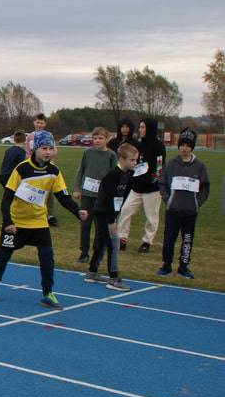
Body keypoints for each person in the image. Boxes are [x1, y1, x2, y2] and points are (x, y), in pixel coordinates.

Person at [0, 131, 88, 310]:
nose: (48, 152)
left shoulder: (54, 172)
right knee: (3, 255)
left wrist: (78, 212)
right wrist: (8, 222)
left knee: (47, 258)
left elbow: (63, 197)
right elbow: (6, 198)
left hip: (39, 223)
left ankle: (47, 293)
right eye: (44, 148)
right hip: (16, 223)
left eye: (51, 148)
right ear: (34, 149)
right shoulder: (22, 169)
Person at [84, 143, 138, 291]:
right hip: (103, 212)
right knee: (113, 244)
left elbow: (125, 193)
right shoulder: (112, 176)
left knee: (102, 242)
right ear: (122, 159)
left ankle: (92, 272)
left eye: (136, 160)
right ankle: (113, 278)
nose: (135, 163)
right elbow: (107, 199)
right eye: (132, 160)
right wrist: (111, 221)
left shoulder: (129, 174)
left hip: (112, 211)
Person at [157, 129, 209, 279]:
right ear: (178, 146)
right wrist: (168, 199)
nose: (184, 148)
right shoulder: (171, 164)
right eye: (182, 145)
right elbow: (162, 183)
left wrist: (197, 203)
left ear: (192, 147)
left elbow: (205, 187)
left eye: (187, 145)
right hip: (173, 210)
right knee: (169, 240)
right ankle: (166, 266)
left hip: (190, 212)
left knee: (187, 240)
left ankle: (183, 267)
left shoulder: (200, 166)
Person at [117, 117, 165, 253]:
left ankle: (146, 242)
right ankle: (122, 239)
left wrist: (151, 181)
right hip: (136, 187)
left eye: (143, 127)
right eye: (140, 127)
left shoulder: (158, 146)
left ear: (150, 129)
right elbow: (134, 164)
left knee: (151, 216)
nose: (140, 130)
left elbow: (159, 168)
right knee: (126, 210)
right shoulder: (137, 144)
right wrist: (132, 178)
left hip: (152, 189)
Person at [72, 126, 117, 263]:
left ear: (107, 139)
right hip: (86, 194)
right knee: (85, 224)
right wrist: (77, 188)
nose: (97, 141)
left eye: (100, 138)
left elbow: (114, 176)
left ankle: (96, 252)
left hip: (102, 197)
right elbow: (81, 171)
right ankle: (83, 252)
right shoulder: (88, 153)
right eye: (95, 138)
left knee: (100, 226)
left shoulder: (111, 156)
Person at [24, 113, 58, 226]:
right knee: (33, 190)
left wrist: (51, 164)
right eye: (38, 122)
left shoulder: (49, 135)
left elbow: (54, 151)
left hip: (46, 167)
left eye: (42, 122)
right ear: (34, 122)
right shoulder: (29, 137)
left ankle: (50, 215)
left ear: (45, 124)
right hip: (33, 167)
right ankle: (33, 213)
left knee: (48, 191)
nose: (39, 124)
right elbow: (28, 152)